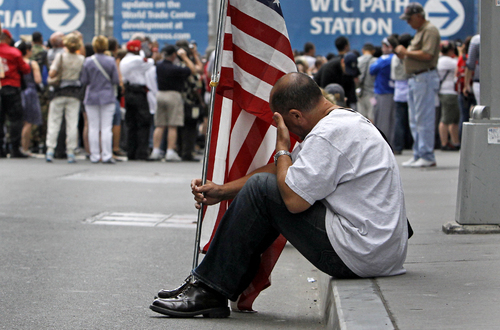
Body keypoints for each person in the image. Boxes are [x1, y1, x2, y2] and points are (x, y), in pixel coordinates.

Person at [149, 73, 409, 318]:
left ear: (296, 115)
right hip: (379, 251)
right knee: (264, 187)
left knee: (262, 189)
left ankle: (209, 289)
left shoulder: (328, 135)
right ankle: (212, 282)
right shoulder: (344, 121)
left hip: (361, 254)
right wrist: (222, 190)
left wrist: (282, 147)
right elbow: (281, 171)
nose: (289, 131)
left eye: (285, 123)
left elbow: (293, 200)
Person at [395, 3, 441, 168]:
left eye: (410, 19)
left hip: (424, 77)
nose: (408, 22)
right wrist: (405, 54)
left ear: (419, 16)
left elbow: (427, 54)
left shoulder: (429, 30)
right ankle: (418, 154)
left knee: (423, 119)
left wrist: (406, 52)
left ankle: (427, 155)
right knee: (415, 120)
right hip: (416, 78)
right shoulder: (421, 31)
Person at [150, 45, 196, 162]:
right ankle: (170, 151)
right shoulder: (176, 69)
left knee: (159, 125)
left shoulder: (159, 66)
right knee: (172, 125)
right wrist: (185, 57)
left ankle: (155, 150)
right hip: (173, 95)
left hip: (160, 94)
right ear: (174, 55)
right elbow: (193, 70)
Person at [45, 33, 85, 163]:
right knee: (72, 123)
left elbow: (52, 73)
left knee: (54, 121)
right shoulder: (81, 59)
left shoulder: (60, 56)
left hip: (59, 92)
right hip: (74, 93)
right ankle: (71, 151)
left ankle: (50, 149)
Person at [80, 36, 120, 164]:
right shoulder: (111, 61)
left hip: (91, 96)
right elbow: (115, 80)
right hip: (107, 96)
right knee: (106, 127)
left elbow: (84, 80)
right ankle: (107, 154)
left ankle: (95, 155)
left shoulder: (88, 61)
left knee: (93, 127)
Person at [120, 39, 154, 160]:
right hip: (138, 93)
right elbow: (150, 62)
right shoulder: (136, 60)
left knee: (131, 123)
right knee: (143, 122)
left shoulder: (124, 60)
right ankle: (142, 152)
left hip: (129, 92)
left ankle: (131, 151)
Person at [0, 29, 31, 158]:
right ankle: (14, 148)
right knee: (15, 119)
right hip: (12, 88)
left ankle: (1, 148)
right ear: (7, 38)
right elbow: (26, 69)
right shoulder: (14, 52)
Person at [16, 41, 43, 155]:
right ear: (27, 51)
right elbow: (38, 80)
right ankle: (25, 147)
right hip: (30, 92)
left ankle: (16, 146)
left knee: (18, 121)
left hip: (18, 91)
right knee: (28, 122)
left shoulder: (16, 62)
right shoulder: (32, 63)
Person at [369, 36, 397, 147]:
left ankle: (384, 145)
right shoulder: (391, 58)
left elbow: (372, 69)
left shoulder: (386, 59)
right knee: (389, 120)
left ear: (390, 47)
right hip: (388, 92)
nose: (382, 48)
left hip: (384, 92)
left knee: (383, 120)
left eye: (384, 46)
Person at [391, 34, 413, 154]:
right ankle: (410, 143)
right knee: (412, 119)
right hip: (409, 85)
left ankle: (398, 146)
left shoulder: (394, 57)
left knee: (399, 119)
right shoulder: (408, 55)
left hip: (398, 89)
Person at [437, 41, 460, 151]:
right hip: (449, 92)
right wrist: (460, 52)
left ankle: (454, 141)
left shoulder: (440, 60)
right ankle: (444, 143)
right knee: (446, 118)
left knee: (453, 119)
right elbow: (461, 63)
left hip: (446, 91)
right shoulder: (448, 61)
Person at [356, 43, 376, 122]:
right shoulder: (376, 61)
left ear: (362, 50)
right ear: (373, 51)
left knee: (361, 118)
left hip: (360, 94)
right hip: (372, 94)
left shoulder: (358, 61)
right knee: (372, 116)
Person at [464, 34, 480, 105]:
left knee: (481, 106)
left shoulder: (476, 40)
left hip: (479, 80)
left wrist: (466, 84)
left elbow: (470, 64)